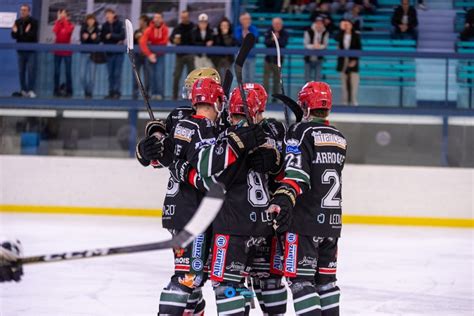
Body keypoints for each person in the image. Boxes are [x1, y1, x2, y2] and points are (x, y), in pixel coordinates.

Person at [144, 78, 265, 315]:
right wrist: (238, 141)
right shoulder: (204, 128)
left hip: (178, 211)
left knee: (195, 279)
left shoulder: (182, 125)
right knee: (190, 277)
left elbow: (160, 157)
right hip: (194, 215)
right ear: (218, 101)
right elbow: (208, 170)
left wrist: (161, 149)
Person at [268, 81, 346, 316]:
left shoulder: (299, 133)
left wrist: (282, 198)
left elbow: (296, 175)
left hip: (303, 223)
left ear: (305, 105)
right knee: (326, 283)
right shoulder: (339, 137)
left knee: (301, 282)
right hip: (331, 224)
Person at [11, 4, 38, 98]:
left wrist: (20, 33)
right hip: (20, 51)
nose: (22, 12)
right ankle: (23, 90)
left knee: (31, 71)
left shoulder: (33, 22)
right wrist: (17, 32)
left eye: (25, 10)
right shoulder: (17, 22)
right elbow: (13, 36)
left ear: (28, 11)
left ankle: (30, 90)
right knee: (21, 71)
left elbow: (32, 36)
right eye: (21, 10)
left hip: (30, 51)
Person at [140, 13, 169, 100]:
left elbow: (164, 42)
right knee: (151, 75)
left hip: (160, 55)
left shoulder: (165, 29)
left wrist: (153, 45)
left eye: (158, 18)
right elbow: (142, 43)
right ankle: (153, 94)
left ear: (162, 20)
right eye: (155, 18)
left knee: (159, 75)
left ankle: (160, 94)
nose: (156, 19)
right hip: (150, 56)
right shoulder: (149, 29)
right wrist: (149, 54)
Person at [170, 10, 195, 100]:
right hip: (179, 55)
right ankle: (174, 96)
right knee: (176, 76)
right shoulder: (178, 28)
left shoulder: (193, 27)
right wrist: (174, 40)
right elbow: (171, 39)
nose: (184, 19)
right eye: (182, 17)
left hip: (190, 54)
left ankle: (191, 97)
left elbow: (196, 39)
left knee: (191, 78)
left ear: (188, 17)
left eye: (185, 17)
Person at [101, 8, 125, 99]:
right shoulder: (104, 26)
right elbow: (102, 38)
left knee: (117, 73)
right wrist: (115, 39)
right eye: (106, 14)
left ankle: (117, 92)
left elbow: (122, 36)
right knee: (110, 74)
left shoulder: (119, 24)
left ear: (113, 14)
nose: (107, 16)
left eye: (109, 14)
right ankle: (111, 91)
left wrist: (111, 36)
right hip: (109, 53)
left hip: (118, 53)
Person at [336, 19, 361, 106]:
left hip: (353, 60)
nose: (347, 26)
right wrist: (341, 29)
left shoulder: (356, 35)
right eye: (345, 24)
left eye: (348, 24)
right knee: (344, 82)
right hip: (343, 61)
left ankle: (354, 101)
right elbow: (336, 38)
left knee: (353, 82)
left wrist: (355, 60)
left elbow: (359, 49)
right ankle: (345, 102)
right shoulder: (341, 35)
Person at [263, 17, 289, 97]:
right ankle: (265, 97)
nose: (277, 25)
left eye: (278, 24)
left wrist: (278, 38)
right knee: (266, 80)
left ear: (281, 25)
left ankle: (276, 98)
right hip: (268, 60)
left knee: (277, 80)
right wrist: (272, 39)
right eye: (275, 24)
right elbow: (266, 42)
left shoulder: (284, 33)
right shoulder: (268, 31)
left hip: (278, 61)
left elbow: (283, 43)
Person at [53, 9, 74, 98]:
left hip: (67, 52)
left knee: (68, 72)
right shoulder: (57, 23)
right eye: (61, 13)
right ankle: (56, 90)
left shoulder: (71, 24)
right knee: (56, 72)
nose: (62, 15)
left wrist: (64, 20)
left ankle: (69, 90)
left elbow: (68, 31)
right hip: (57, 51)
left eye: (64, 14)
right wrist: (58, 20)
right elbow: (55, 31)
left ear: (67, 15)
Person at [80, 14, 100, 98]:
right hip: (84, 53)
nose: (90, 21)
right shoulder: (83, 28)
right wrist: (86, 38)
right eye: (89, 20)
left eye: (92, 20)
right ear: (87, 21)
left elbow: (98, 41)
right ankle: (86, 91)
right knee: (82, 76)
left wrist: (94, 38)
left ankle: (89, 93)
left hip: (93, 54)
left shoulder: (97, 29)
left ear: (94, 21)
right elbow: (82, 40)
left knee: (92, 76)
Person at [234, 12, 259, 83]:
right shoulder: (237, 29)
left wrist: (248, 36)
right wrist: (243, 36)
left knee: (251, 78)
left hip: (251, 56)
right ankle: (242, 94)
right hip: (240, 57)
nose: (247, 21)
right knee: (242, 78)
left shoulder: (254, 29)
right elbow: (238, 41)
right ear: (241, 21)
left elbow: (256, 39)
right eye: (245, 19)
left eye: (248, 19)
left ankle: (251, 94)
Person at [304, 17, 329, 82]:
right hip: (308, 57)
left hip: (319, 57)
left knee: (318, 78)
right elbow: (306, 44)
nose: (319, 25)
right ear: (315, 23)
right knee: (307, 78)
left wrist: (319, 47)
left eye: (320, 23)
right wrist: (313, 46)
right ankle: (307, 91)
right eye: (317, 23)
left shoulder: (325, 32)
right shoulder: (308, 31)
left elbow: (325, 45)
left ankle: (317, 91)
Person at [132, 14, 150, 100]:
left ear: (145, 22)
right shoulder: (136, 31)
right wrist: (135, 38)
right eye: (139, 21)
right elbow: (132, 43)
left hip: (146, 55)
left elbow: (151, 42)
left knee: (147, 75)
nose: (140, 23)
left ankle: (146, 93)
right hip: (137, 55)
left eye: (141, 21)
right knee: (136, 74)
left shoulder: (149, 31)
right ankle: (135, 93)